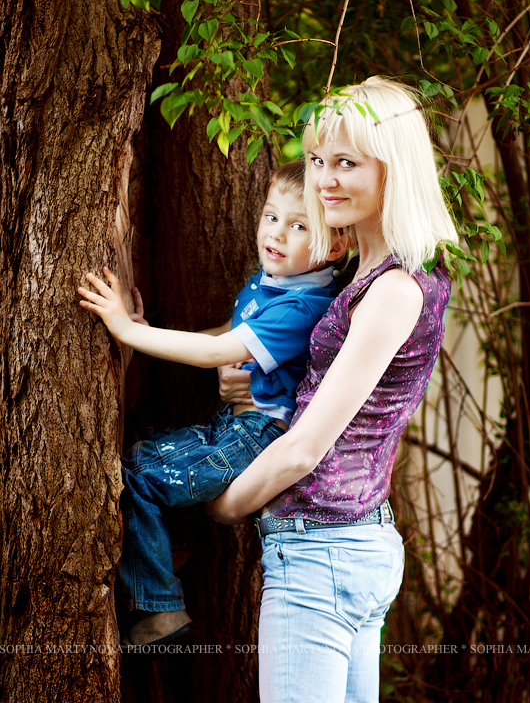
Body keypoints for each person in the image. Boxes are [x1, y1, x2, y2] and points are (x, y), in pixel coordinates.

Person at [206, 77, 458, 703]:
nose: (324, 180)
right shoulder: (374, 272)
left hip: (322, 553)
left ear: (392, 168)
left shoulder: (392, 289)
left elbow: (306, 450)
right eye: (318, 159)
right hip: (351, 544)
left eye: (347, 163)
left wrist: (222, 506)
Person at [77, 161, 349, 650]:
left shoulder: (301, 307)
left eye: (299, 226)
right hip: (234, 426)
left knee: (136, 473)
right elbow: (227, 335)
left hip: (254, 439)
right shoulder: (275, 282)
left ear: (334, 246)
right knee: (144, 431)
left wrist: (124, 329)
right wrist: (144, 334)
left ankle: (160, 608)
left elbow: (217, 352)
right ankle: (164, 545)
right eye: (271, 217)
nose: (277, 233)